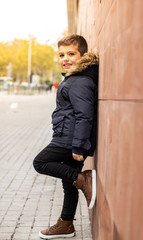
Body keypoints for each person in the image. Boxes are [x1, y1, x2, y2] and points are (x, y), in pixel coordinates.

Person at [33, 34, 98, 239]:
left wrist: (78, 146)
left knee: (40, 162)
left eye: (72, 54)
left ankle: (84, 179)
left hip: (69, 140)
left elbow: (84, 115)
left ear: (83, 55)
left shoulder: (79, 81)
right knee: (68, 182)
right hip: (68, 137)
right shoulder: (75, 78)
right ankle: (66, 223)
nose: (66, 58)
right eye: (62, 54)